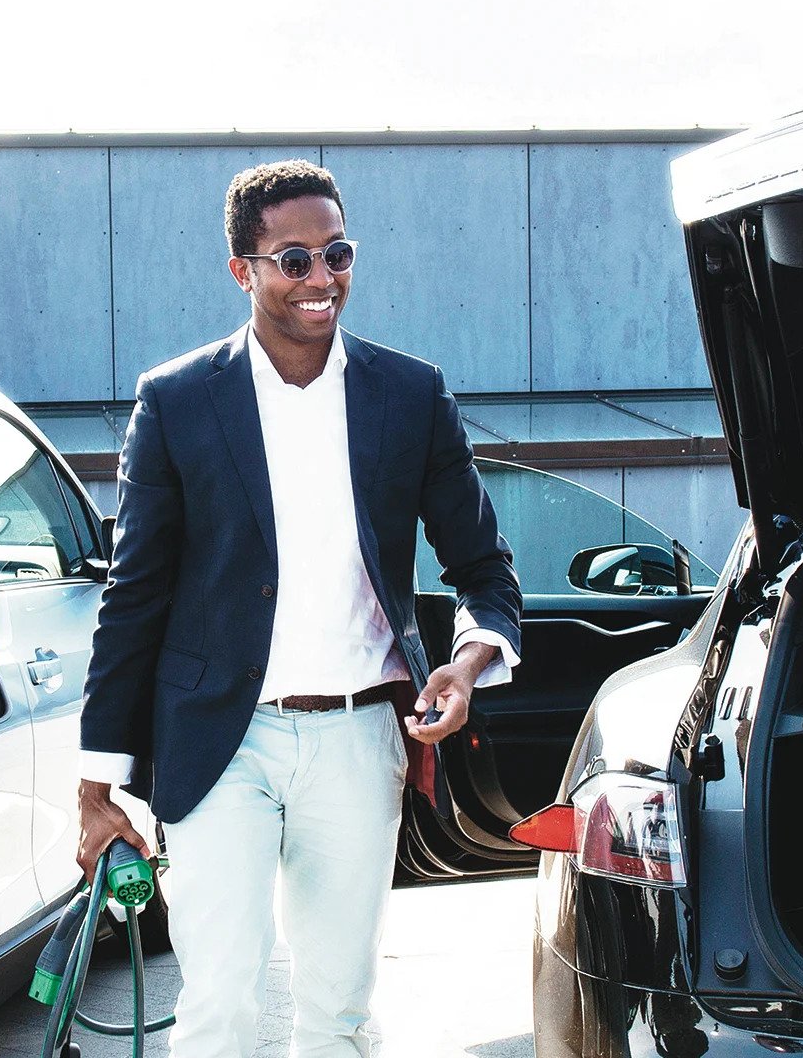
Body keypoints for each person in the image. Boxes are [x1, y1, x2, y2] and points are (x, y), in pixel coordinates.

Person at [73, 159, 523, 1058]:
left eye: (337, 254)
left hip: (359, 740)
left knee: (339, 1015)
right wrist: (98, 782)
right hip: (217, 743)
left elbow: (484, 570)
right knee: (220, 1005)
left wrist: (468, 663)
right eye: (295, 261)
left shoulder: (409, 392)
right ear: (243, 270)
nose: (323, 280)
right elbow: (135, 593)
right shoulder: (177, 401)